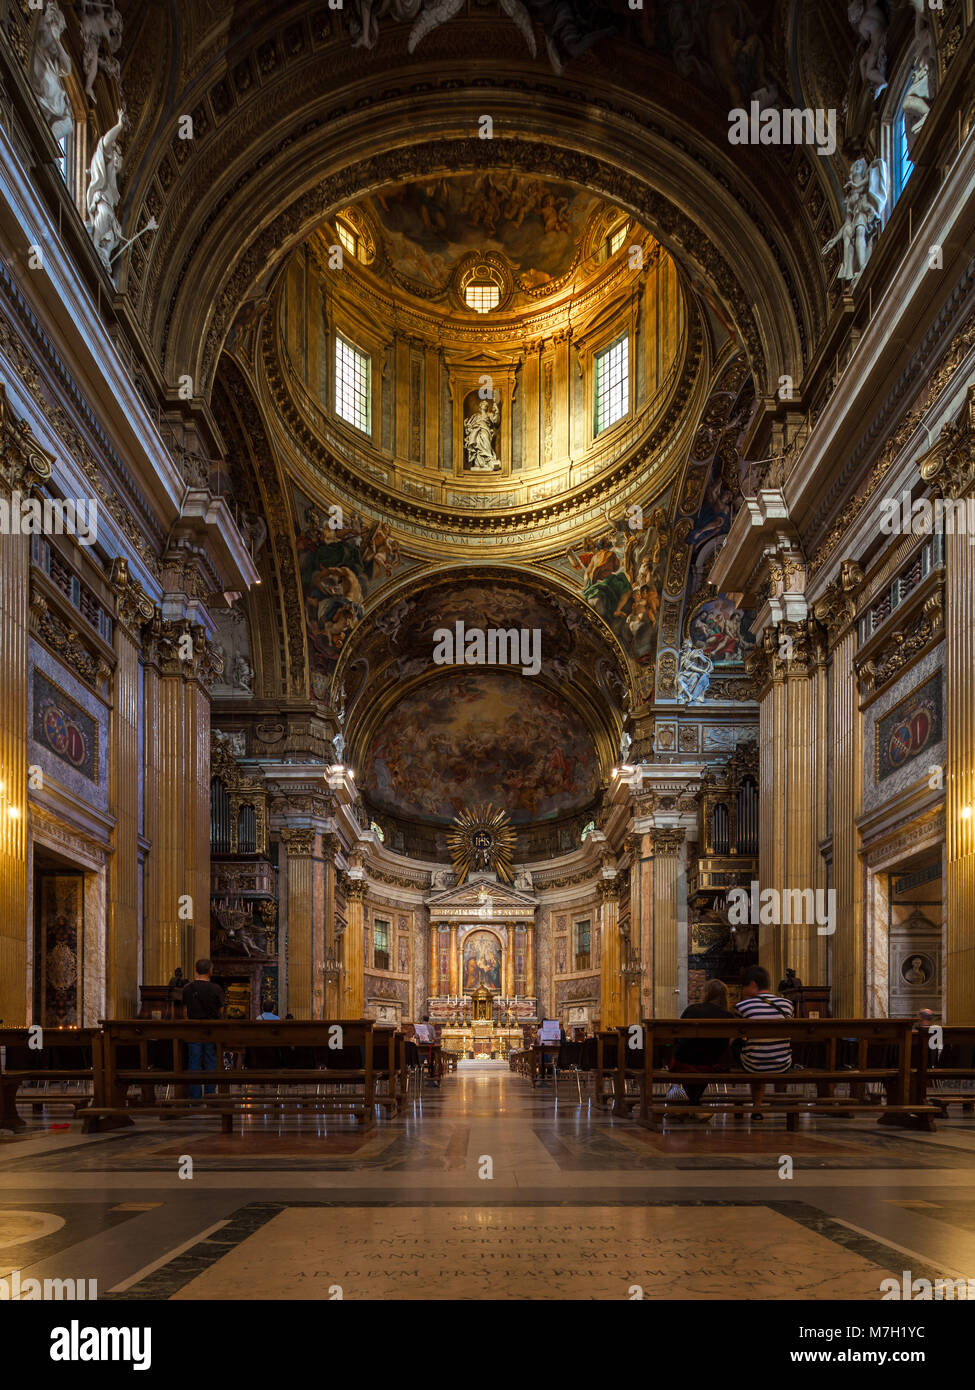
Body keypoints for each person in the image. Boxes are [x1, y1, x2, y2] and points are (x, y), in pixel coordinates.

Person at [668, 980, 734, 1123]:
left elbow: (678, 1037)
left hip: (683, 1062)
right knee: (708, 1059)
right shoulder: (728, 1016)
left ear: (707, 993)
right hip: (711, 1066)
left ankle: (692, 1105)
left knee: (691, 1058)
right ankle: (694, 1105)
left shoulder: (692, 1010)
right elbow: (724, 1046)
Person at [734, 965, 794, 1117]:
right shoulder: (787, 1005)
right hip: (783, 1062)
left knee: (744, 1047)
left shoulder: (742, 1006)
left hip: (753, 1064)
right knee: (770, 1046)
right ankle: (777, 1101)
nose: (742, 990)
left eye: (744, 986)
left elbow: (738, 1035)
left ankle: (757, 1105)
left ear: (753, 985)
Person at [182, 958, 224, 1098]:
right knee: (210, 1061)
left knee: (194, 1061)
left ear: (196, 970)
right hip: (211, 1029)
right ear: (210, 970)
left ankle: (194, 1097)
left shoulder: (188, 988)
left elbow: (185, 1011)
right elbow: (221, 1011)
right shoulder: (216, 989)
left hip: (193, 1029)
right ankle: (210, 1096)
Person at [414, 1015, 439, 1087]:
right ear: (428, 1020)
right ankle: (431, 1077)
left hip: (421, 1047)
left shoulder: (419, 1026)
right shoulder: (431, 1027)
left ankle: (419, 1078)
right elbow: (434, 1037)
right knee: (430, 1062)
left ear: (422, 1019)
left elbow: (416, 1036)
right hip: (429, 1047)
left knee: (420, 1062)